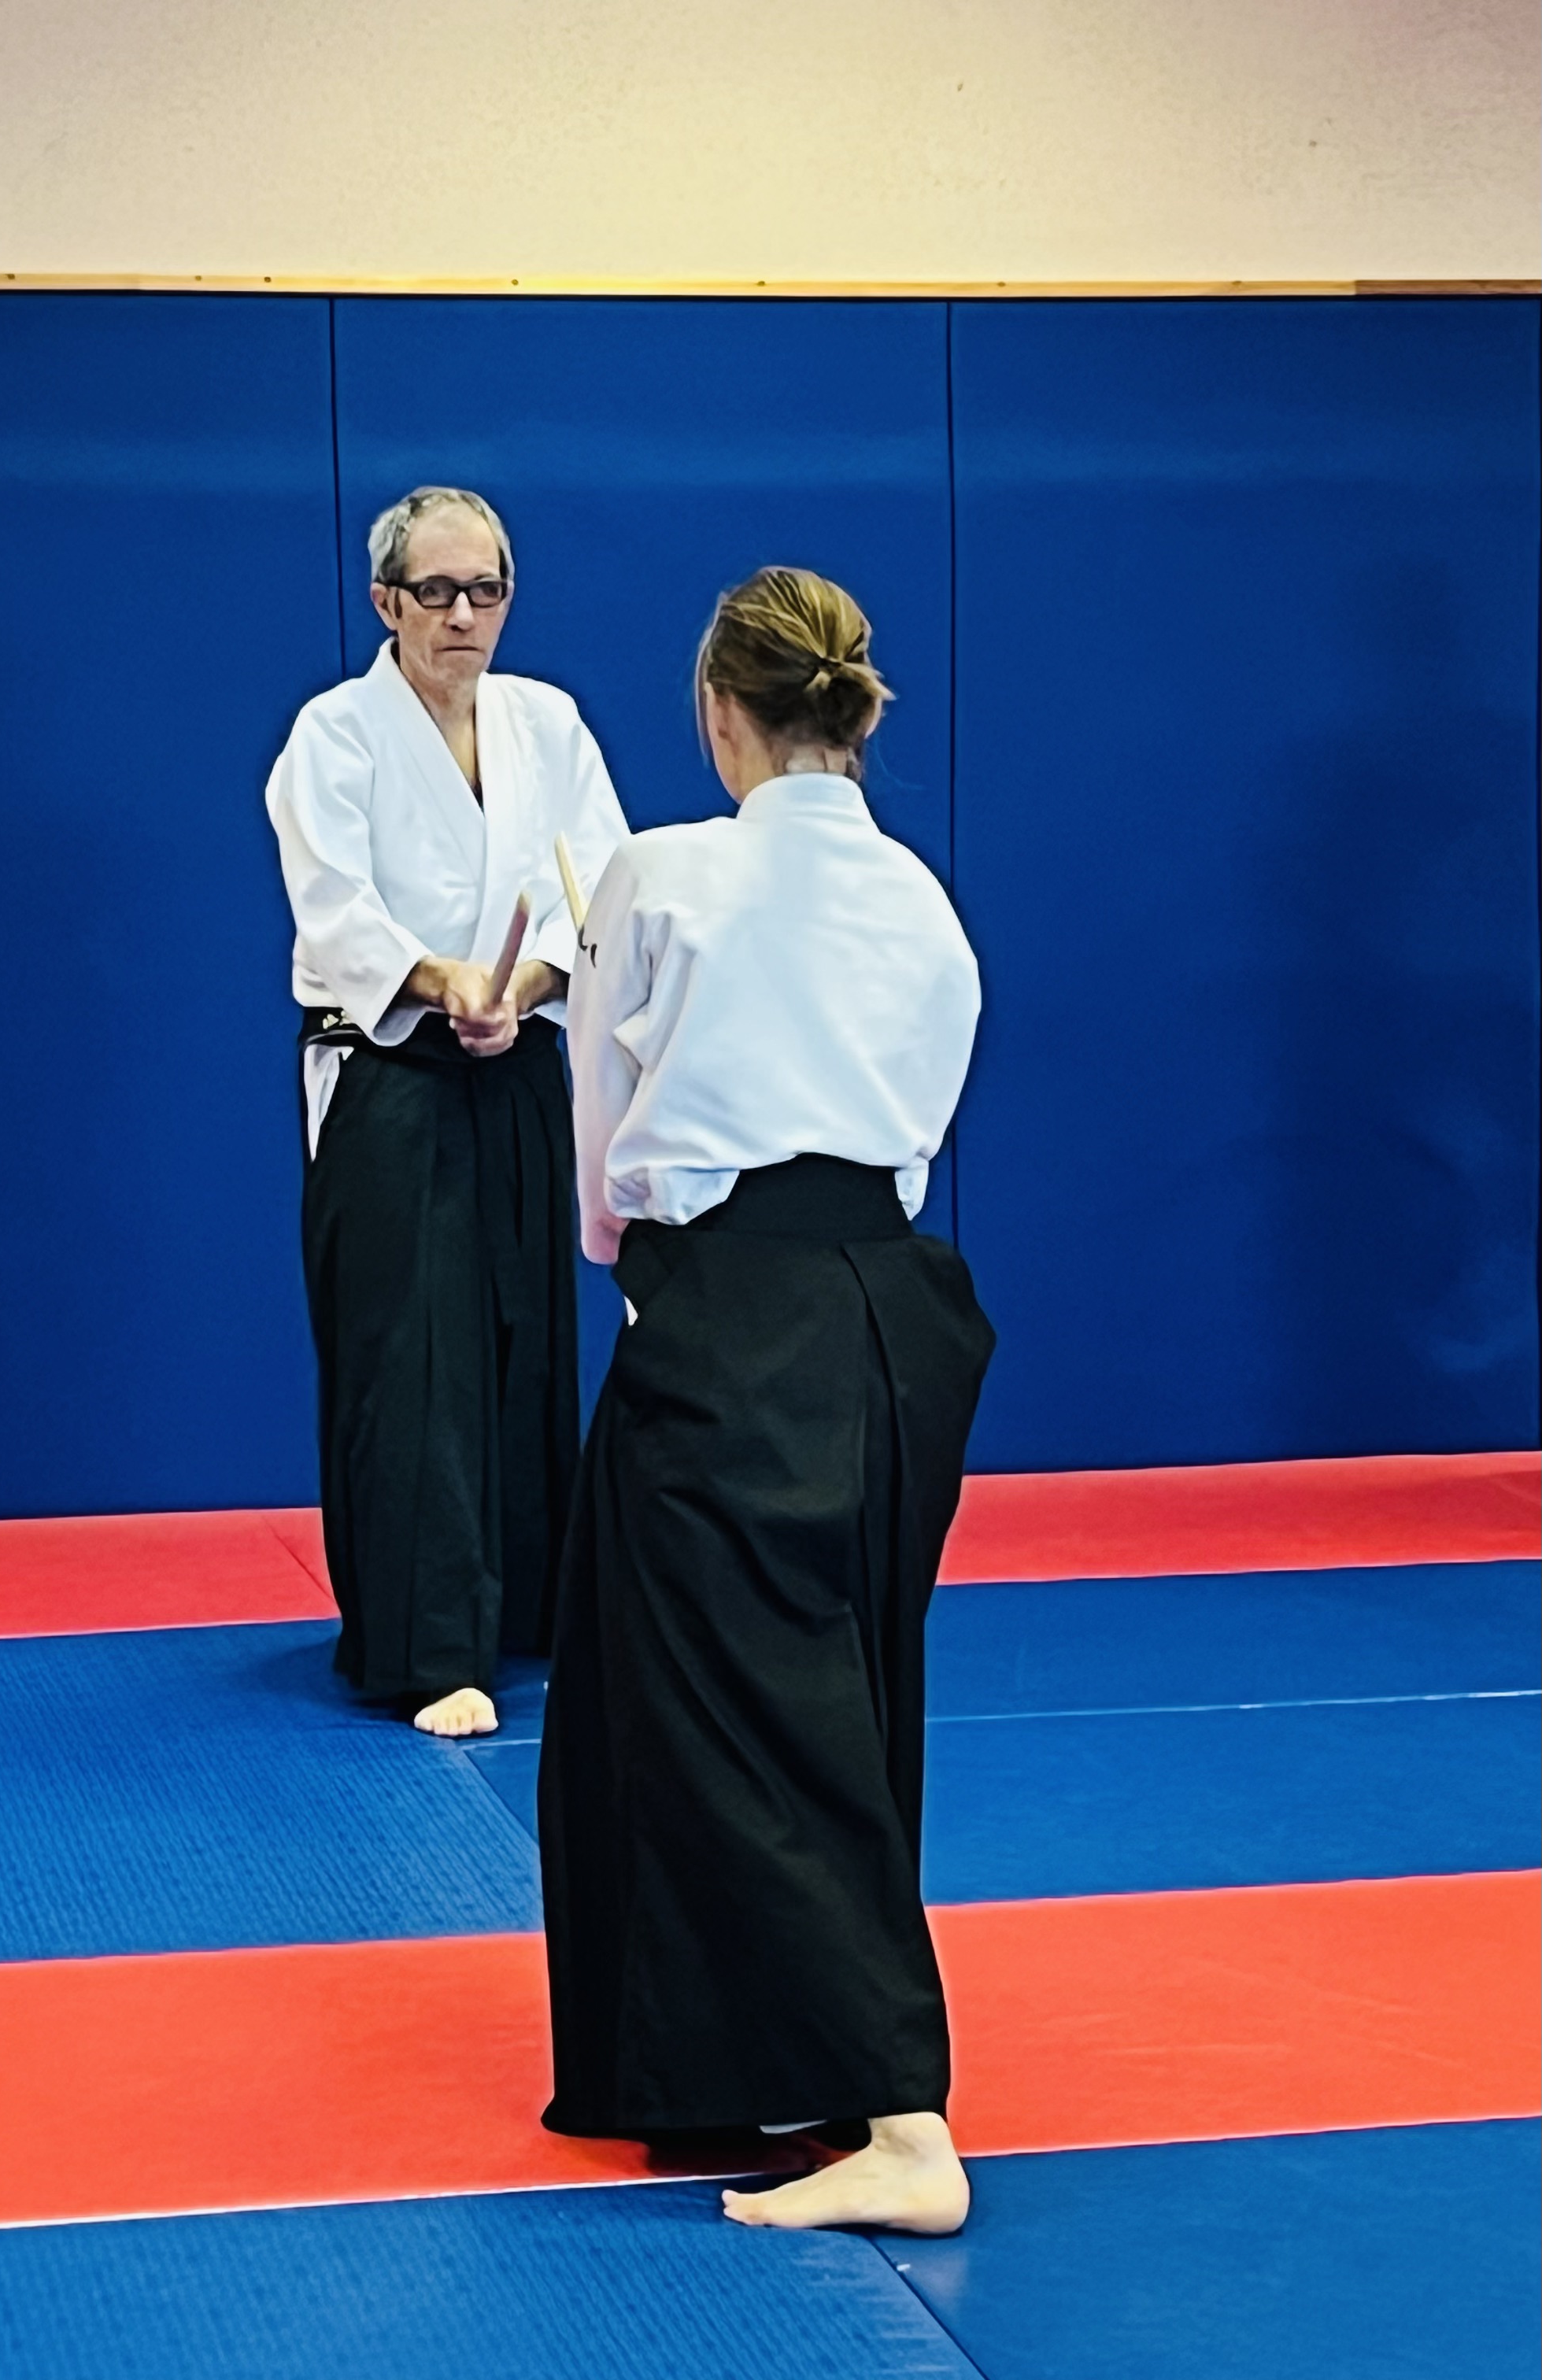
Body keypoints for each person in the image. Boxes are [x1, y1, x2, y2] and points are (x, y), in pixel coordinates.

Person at [538, 566, 994, 2233]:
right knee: (827, 1683)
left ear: (717, 713)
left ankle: (901, 2120)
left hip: (731, 1308)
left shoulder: (660, 872)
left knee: (741, 1709)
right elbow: (920, 1119)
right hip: (892, 1309)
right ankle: (745, 2063)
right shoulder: (922, 900)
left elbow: (599, 1121)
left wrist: (638, 1264)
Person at [265, 485, 627, 1738]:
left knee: (526, 1333)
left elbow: (596, 889)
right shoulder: (335, 735)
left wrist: (519, 988)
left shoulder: (549, 723)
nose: (464, 615)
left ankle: (523, 1610)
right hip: (389, 1070)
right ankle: (427, 1647)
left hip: (515, 1052)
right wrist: (442, 982)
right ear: (387, 602)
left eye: (486, 591)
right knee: (412, 1350)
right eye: (437, 592)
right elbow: (335, 911)